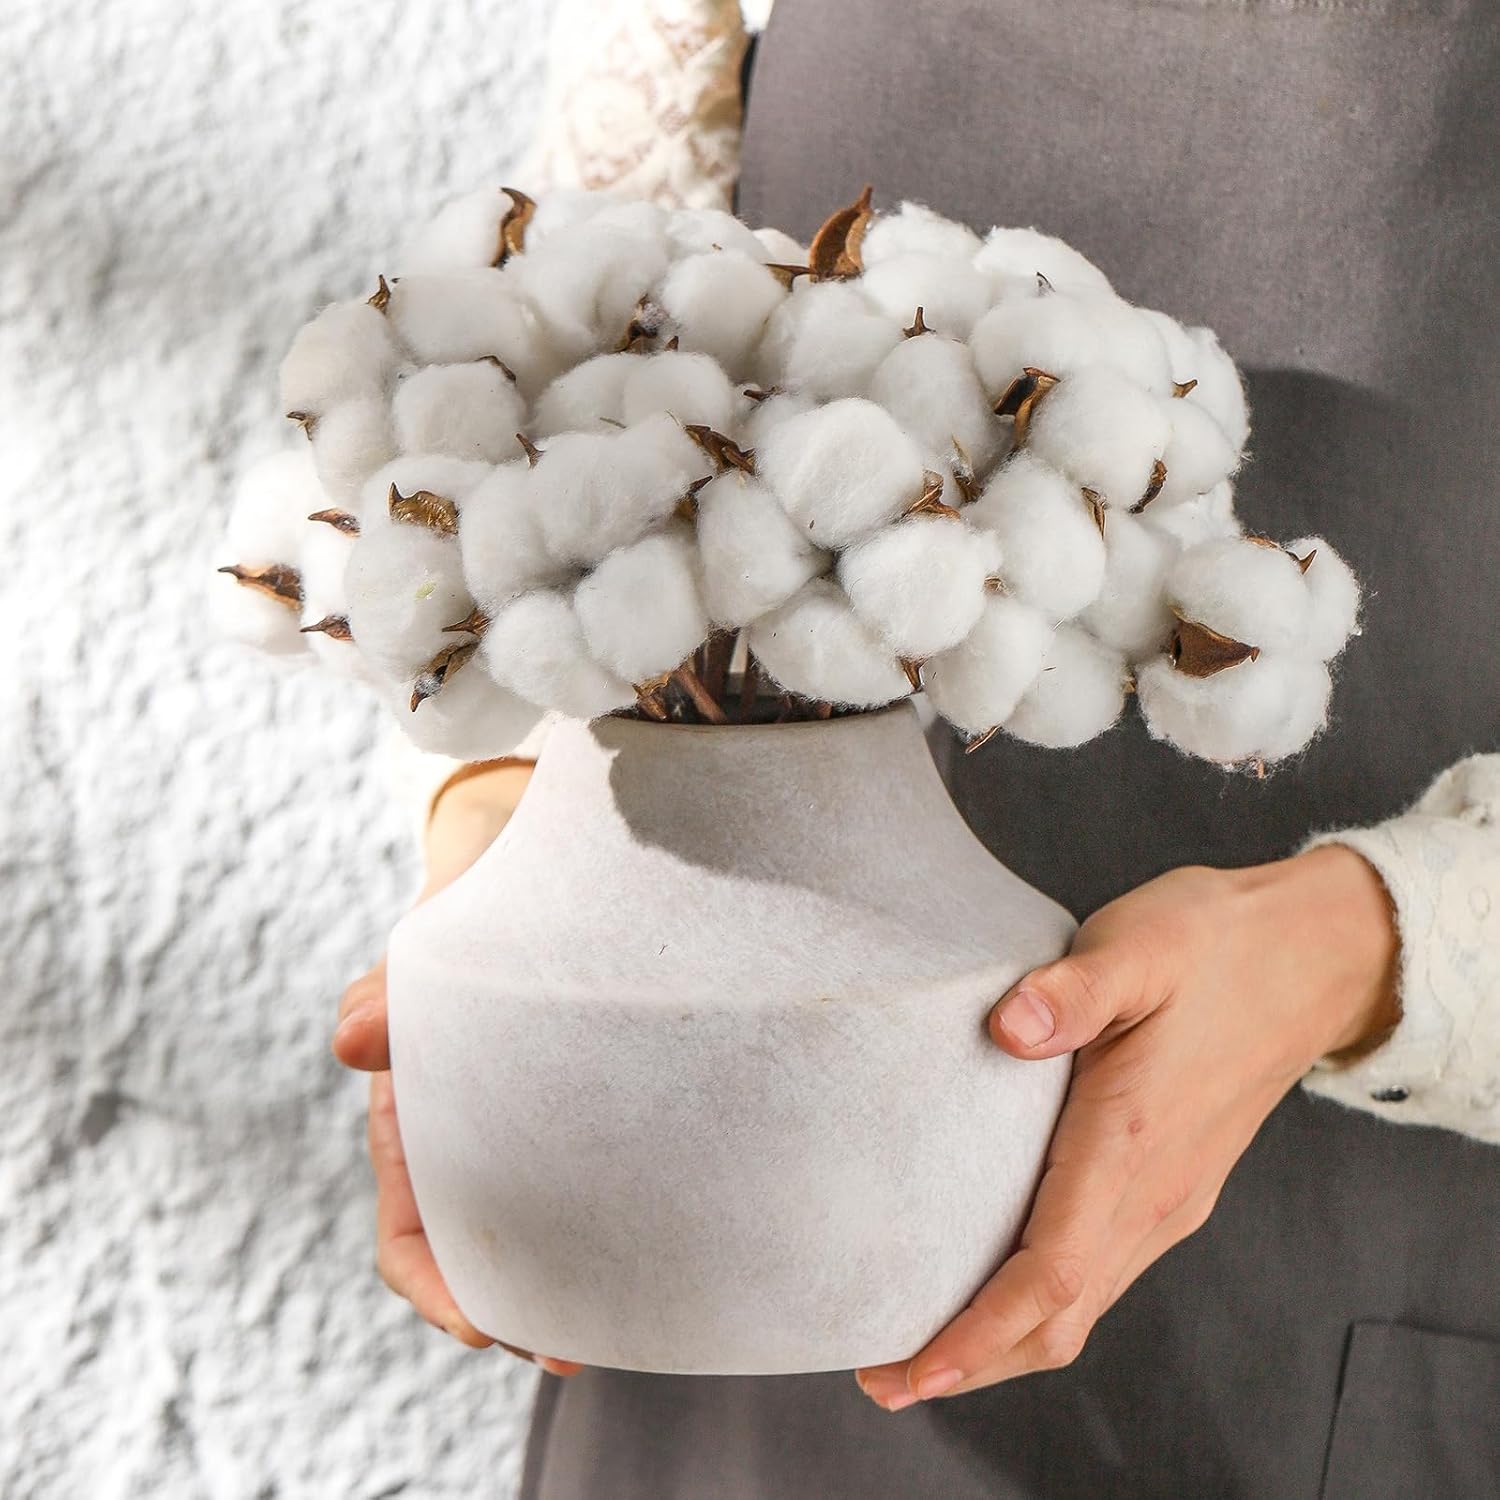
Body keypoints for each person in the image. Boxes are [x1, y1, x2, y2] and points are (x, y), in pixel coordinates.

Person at [334, 0, 1500, 1493]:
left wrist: (1362, 950)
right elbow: (578, 335)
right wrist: (498, 857)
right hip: (719, 1327)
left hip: (1331, 1345)